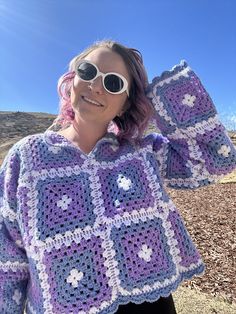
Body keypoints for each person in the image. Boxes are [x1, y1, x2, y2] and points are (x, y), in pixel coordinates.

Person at [0, 40, 235, 314]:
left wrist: (160, 94)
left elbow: (215, 159)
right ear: (72, 78)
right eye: (87, 71)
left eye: (113, 83)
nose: (96, 86)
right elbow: (7, 257)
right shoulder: (27, 157)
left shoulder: (143, 153)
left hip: (151, 306)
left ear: (125, 104)